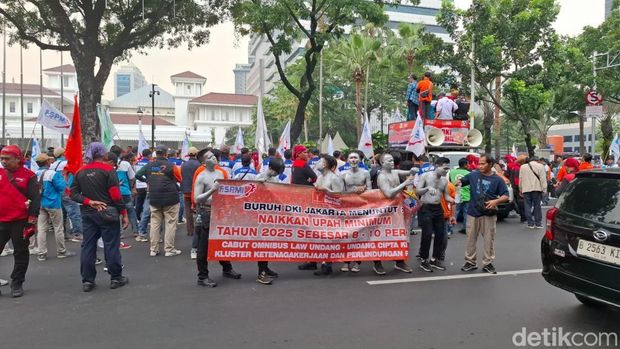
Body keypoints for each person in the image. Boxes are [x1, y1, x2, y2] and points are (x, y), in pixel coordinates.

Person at [70, 143, 129, 292]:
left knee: (88, 246)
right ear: (103, 154)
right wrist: (124, 213)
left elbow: (72, 193)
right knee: (111, 245)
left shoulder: (80, 172)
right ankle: (115, 277)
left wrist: (89, 201)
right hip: (108, 213)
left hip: (88, 213)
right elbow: (116, 195)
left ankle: (88, 281)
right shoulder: (109, 170)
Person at [193, 150, 242, 287]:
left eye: (214, 155)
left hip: (219, 212)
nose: (214, 157)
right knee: (203, 246)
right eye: (210, 157)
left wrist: (234, 184)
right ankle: (202, 276)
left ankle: (227, 268)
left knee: (221, 242)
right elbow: (197, 198)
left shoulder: (220, 173)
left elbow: (224, 190)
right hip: (206, 213)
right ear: (204, 162)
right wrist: (212, 190)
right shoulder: (201, 177)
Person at [0, 145, 41, 297]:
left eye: (7, 159)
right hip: (1, 221)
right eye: (2, 158)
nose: (3, 161)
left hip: (20, 221)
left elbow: (35, 199)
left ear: (18, 159)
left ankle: (17, 283)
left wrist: (32, 220)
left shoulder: (29, 175)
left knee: (21, 253)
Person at [458, 155, 509, 274]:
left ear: (490, 164)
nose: (479, 166)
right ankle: (470, 262)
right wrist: (458, 182)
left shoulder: (498, 180)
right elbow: (462, 181)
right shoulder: (473, 175)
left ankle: (488, 263)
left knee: (488, 240)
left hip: (488, 214)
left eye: (482, 164)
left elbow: (505, 195)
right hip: (472, 213)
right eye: (479, 164)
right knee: (470, 239)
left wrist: (496, 201)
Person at [135, 145, 183, 257]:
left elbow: (137, 175)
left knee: (155, 224)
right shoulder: (172, 166)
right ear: (166, 154)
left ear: (156, 154)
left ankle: (153, 249)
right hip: (171, 198)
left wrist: (147, 180)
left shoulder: (149, 165)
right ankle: (169, 249)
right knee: (170, 223)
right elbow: (180, 178)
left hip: (154, 197)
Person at [374, 153, 416, 275]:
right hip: (384, 210)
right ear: (382, 163)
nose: (392, 162)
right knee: (380, 236)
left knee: (399, 235)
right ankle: (377, 263)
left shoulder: (395, 172)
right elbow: (388, 193)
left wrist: (413, 170)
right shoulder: (381, 177)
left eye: (392, 160)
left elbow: (408, 172)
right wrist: (404, 184)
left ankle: (400, 261)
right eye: (389, 161)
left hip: (397, 209)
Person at [35, 153, 76, 262]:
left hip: (40, 203)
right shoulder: (52, 173)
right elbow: (61, 187)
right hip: (53, 203)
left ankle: (41, 253)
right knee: (58, 228)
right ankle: (61, 251)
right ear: (47, 162)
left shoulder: (34, 173)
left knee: (41, 229)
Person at [416, 157, 455, 272]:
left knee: (440, 235)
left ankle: (435, 259)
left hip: (438, 208)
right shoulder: (425, 176)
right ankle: (424, 260)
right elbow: (417, 191)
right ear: (437, 166)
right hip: (426, 207)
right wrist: (427, 188)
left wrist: (452, 200)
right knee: (427, 234)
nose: (446, 171)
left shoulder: (444, 180)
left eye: (448, 168)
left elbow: (446, 196)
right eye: (444, 168)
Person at [313, 154, 345, 276]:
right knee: (322, 239)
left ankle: (328, 264)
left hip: (332, 214)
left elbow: (340, 195)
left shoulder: (334, 178)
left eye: (321, 161)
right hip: (321, 213)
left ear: (326, 164)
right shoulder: (320, 178)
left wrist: (327, 191)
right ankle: (323, 262)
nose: (318, 163)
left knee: (330, 239)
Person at [340, 151, 371, 272]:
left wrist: (363, 190)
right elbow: (340, 193)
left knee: (360, 235)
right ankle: (346, 262)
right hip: (348, 208)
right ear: (348, 160)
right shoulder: (342, 174)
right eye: (351, 158)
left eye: (355, 158)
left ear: (359, 160)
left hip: (361, 207)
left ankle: (358, 262)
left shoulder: (365, 173)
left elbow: (370, 191)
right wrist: (352, 191)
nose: (353, 160)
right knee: (347, 235)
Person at [51, 146, 82, 242]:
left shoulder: (53, 165)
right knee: (74, 212)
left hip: (58, 191)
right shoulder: (66, 163)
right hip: (68, 190)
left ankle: (64, 233)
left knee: (62, 213)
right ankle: (78, 233)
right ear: (63, 154)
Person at [519, 156, 547, 229]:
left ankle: (530, 223)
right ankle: (538, 223)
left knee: (527, 206)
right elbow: (543, 179)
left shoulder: (523, 167)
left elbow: (520, 179)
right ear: (537, 160)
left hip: (526, 189)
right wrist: (544, 190)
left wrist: (520, 189)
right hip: (537, 188)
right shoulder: (540, 166)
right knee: (537, 206)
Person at [181, 147, 200, 246]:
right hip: (197, 191)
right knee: (198, 210)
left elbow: (181, 177)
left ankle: (190, 230)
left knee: (188, 211)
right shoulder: (199, 165)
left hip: (186, 191)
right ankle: (198, 230)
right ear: (196, 154)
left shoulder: (183, 165)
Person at [116, 152, 139, 237]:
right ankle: (136, 231)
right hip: (125, 191)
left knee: (117, 212)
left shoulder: (112, 163)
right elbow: (132, 177)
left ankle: (119, 233)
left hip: (115, 192)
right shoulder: (126, 164)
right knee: (131, 211)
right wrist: (133, 188)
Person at [450, 158, 470, 234]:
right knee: (466, 213)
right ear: (465, 165)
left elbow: (450, 183)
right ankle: (465, 228)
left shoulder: (451, 172)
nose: (468, 165)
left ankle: (449, 229)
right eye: (467, 164)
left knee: (454, 212)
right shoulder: (469, 173)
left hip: (455, 195)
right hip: (467, 196)